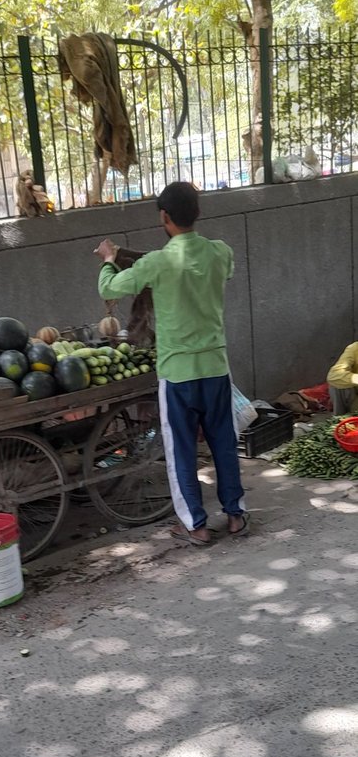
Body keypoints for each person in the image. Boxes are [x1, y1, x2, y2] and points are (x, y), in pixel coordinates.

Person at [94, 181, 248, 546]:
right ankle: (236, 515)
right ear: (198, 212)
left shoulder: (157, 262)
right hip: (215, 368)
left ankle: (195, 525)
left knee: (181, 451)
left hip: (177, 374)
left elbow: (109, 288)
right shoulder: (219, 252)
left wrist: (109, 260)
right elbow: (222, 269)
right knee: (224, 444)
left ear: (164, 216)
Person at [327, 342, 358, 416]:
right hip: (355, 398)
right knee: (338, 382)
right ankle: (341, 419)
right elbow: (333, 376)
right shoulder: (354, 348)